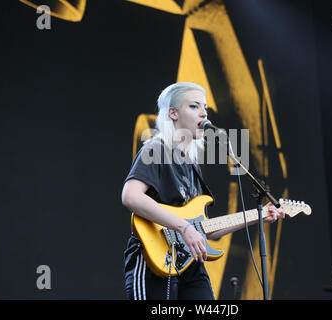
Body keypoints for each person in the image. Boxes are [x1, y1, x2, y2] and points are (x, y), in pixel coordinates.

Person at [121, 82, 284, 300]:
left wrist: (260, 216)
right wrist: (184, 228)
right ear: (173, 113)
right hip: (153, 258)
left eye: (205, 107)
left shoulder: (192, 165)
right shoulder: (155, 148)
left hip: (191, 262)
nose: (204, 113)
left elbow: (207, 228)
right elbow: (131, 196)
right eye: (194, 106)